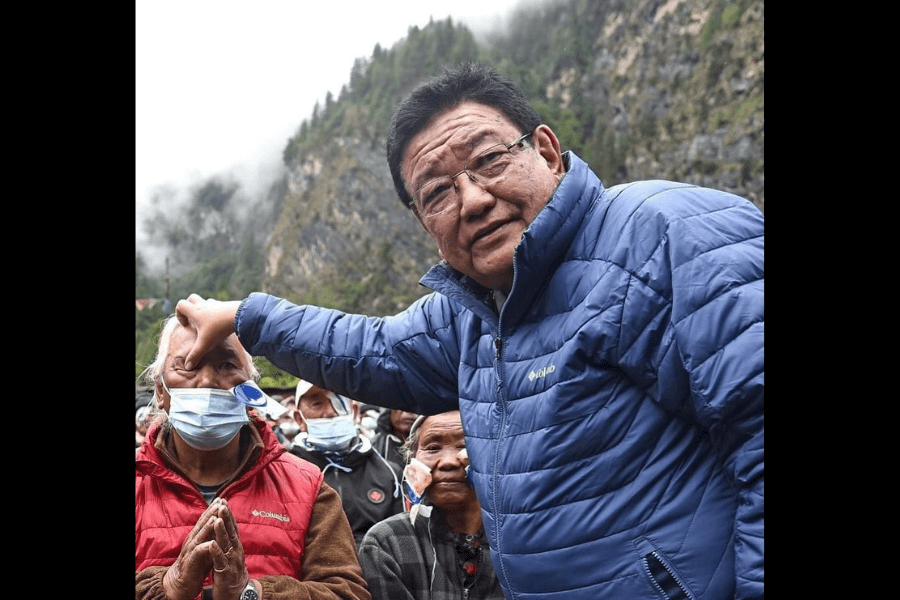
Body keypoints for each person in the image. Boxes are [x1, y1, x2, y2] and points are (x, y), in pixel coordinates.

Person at [174, 62, 764, 600]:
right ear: (422, 222)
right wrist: (244, 315)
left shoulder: (662, 232)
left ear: (548, 150)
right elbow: (370, 349)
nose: (474, 200)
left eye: (489, 160)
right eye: (437, 193)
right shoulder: (477, 314)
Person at [135, 315, 370, 600]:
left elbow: (346, 592)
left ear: (249, 390)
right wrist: (167, 588)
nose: (208, 380)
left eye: (227, 365)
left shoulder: (308, 487)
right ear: (161, 391)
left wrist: (252, 593)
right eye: (187, 365)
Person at [359, 411, 504, 600]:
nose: (448, 462)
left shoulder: (518, 538)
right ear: (412, 462)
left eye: (465, 445)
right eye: (433, 448)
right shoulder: (388, 542)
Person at [288, 379, 404, 547]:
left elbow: (398, 542)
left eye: (339, 403)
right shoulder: (284, 474)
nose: (330, 412)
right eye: (317, 404)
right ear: (299, 419)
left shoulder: (389, 473)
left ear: (355, 412)